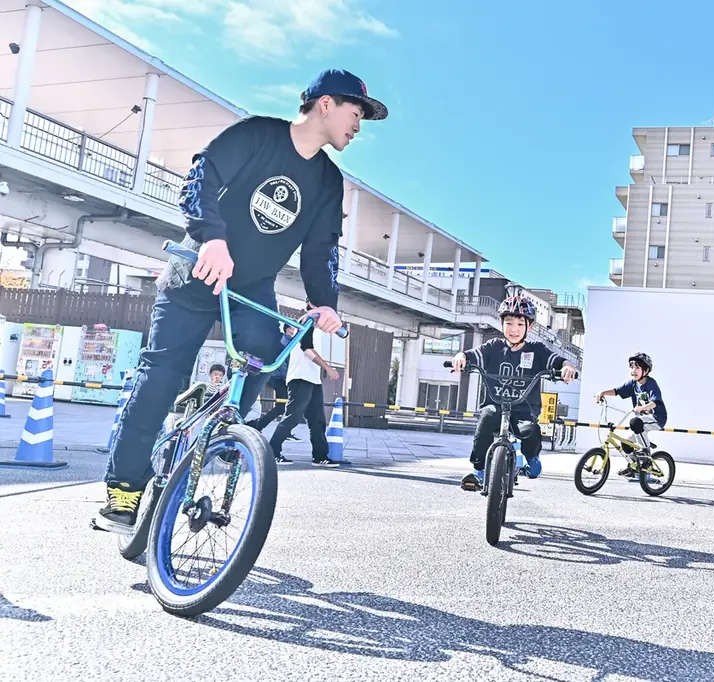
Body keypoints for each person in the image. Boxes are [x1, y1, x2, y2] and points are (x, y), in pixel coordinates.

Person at [92, 67, 386, 533]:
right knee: (160, 376)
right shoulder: (257, 134)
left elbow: (321, 248)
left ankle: (220, 430)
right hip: (195, 271)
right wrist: (210, 237)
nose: (359, 124)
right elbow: (200, 178)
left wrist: (325, 302)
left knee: (263, 354)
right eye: (356, 112)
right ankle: (123, 491)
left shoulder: (328, 181)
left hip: (250, 288)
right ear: (326, 104)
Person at [450, 295, 578, 491]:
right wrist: (460, 357)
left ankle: (532, 456)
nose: (514, 328)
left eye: (520, 323)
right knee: (486, 419)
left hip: (525, 408)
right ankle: (479, 472)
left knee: (529, 431)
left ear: (530, 327)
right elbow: (471, 355)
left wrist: (567, 367)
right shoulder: (493, 347)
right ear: (502, 324)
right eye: (509, 323)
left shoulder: (537, 350)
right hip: (496, 404)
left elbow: (559, 361)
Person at [268, 305, 341, 466]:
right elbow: (307, 349)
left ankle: (320, 456)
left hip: (312, 379)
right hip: (300, 378)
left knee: (317, 420)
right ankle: (271, 452)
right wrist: (327, 367)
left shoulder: (316, 325)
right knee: (293, 417)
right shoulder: (307, 321)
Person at [593, 352, 667, 479]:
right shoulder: (632, 384)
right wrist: (602, 393)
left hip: (657, 418)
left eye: (637, 367)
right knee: (626, 443)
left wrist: (643, 408)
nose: (633, 370)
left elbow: (656, 402)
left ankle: (646, 451)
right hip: (642, 421)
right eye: (631, 367)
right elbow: (617, 391)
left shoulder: (651, 384)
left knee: (635, 422)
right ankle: (634, 467)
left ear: (646, 370)